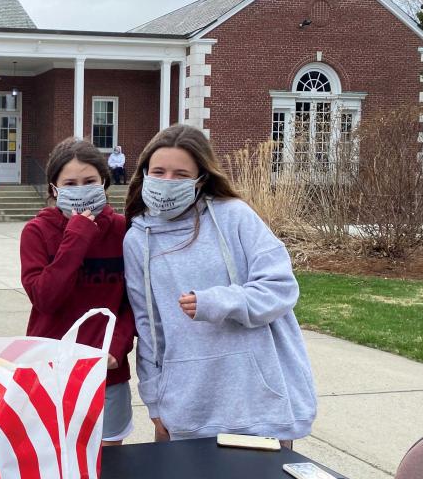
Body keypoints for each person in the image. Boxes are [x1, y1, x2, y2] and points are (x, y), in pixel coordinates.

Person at [122, 124, 316, 445]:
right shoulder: (137, 239)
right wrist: (154, 398)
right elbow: (148, 326)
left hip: (256, 403)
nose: (167, 182)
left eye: (181, 175)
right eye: (158, 172)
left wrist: (219, 302)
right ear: (144, 174)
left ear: (201, 179)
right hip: (186, 404)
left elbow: (281, 287)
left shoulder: (235, 216)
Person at [21, 138, 136, 445]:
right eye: (70, 183)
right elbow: (45, 298)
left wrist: (117, 345)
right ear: (54, 188)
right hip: (51, 372)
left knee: (110, 468)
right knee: (53, 463)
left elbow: (132, 303)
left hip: (107, 373)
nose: (81, 189)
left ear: (104, 183)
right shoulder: (37, 232)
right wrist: (77, 237)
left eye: (89, 181)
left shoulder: (123, 231)